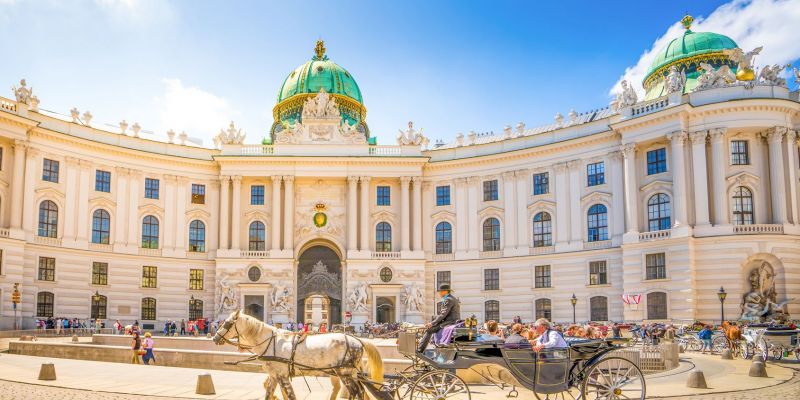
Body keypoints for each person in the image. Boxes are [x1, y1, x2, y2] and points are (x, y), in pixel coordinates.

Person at [417, 283, 460, 353]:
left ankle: (419, 350)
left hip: (450, 321)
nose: (439, 293)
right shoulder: (452, 298)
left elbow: (443, 314)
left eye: (440, 291)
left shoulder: (448, 299)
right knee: (432, 328)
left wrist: (431, 323)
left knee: (429, 330)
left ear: (445, 291)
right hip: (451, 320)